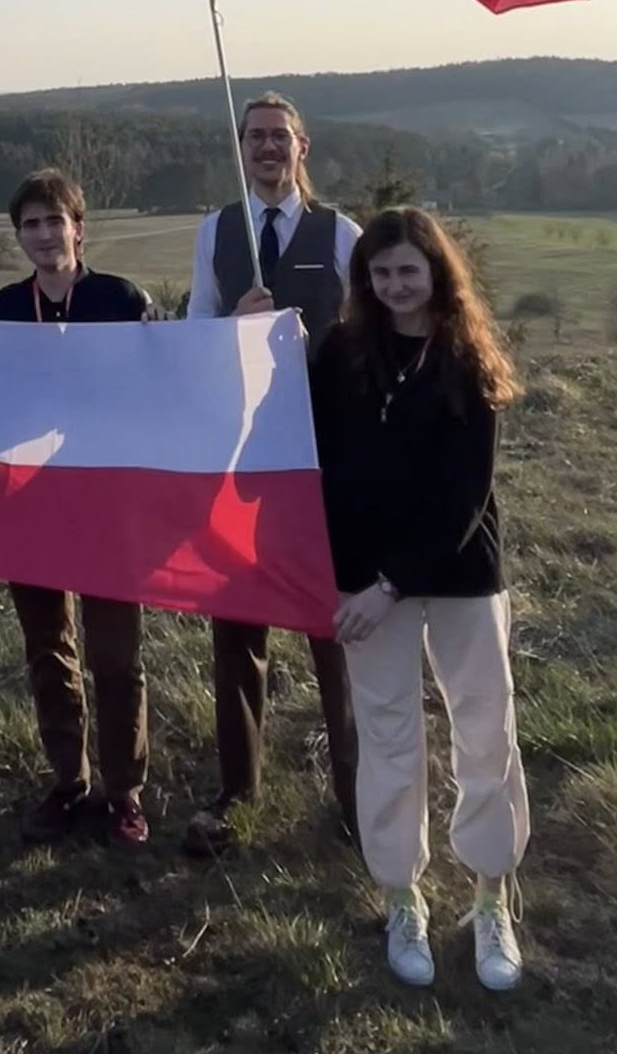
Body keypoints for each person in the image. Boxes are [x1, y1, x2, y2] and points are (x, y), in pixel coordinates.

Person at [312, 207, 528, 993]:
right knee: (389, 737)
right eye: (380, 272)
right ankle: (403, 897)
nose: (396, 285)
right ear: (364, 279)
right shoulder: (340, 354)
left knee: (484, 729)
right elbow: (303, 448)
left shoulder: (466, 356)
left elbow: (464, 495)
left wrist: (391, 585)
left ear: (437, 271)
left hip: (459, 572)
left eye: (409, 269)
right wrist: (253, 330)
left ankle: (491, 894)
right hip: (364, 580)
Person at [184, 93, 363, 856]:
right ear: (241, 147)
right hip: (243, 458)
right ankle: (238, 790)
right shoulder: (216, 231)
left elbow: (370, 336)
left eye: (279, 136)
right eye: (254, 136)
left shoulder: (341, 233)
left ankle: (358, 795)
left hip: (324, 459)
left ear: (302, 147)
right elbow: (194, 332)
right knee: (237, 626)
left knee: (335, 631)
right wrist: (233, 327)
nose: (266, 147)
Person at [0, 169, 154, 848]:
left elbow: (154, 386)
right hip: (31, 504)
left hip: (109, 503)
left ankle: (124, 789)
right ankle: (68, 780)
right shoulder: (3, 309)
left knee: (115, 655)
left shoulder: (121, 300)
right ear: (19, 236)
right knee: (48, 649)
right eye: (30, 224)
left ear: (78, 229)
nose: (44, 234)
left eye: (55, 221)